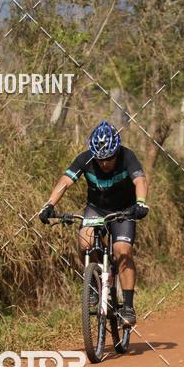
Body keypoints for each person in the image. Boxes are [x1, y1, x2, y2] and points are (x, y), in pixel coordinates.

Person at [39, 120, 149, 325]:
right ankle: (95, 283)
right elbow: (65, 182)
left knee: (122, 250)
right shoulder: (85, 159)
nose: (104, 163)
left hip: (123, 210)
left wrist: (141, 203)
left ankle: (128, 306)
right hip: (96, 208)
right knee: (85, 242)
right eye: (100, 159)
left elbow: (140, 180)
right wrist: (49, 205)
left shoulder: (127, 156)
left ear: (117, 151)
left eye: (109, 158)